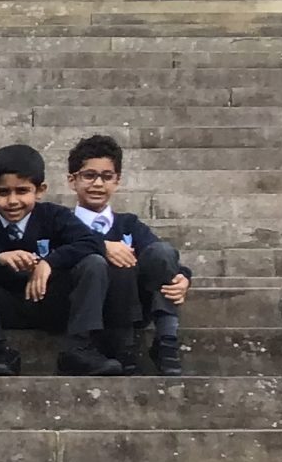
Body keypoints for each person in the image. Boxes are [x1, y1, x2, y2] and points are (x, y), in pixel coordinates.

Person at [0, 143, 127, 376]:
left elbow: (90, 242)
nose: (13, 201)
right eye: (3, 192)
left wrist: (49, 262)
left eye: (22, 191)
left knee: (93, 263)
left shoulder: (54, 215)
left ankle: (80, 347)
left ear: (39, 190)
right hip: (4, 304)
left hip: (51, 301)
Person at [67, 134, 190, 377]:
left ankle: (167, 340)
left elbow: (159, 255)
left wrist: (183, 277)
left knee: (162, 251)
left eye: (107, 176)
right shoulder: (63, 222)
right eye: (89, 175)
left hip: (134, 305)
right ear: (72, 180)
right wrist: (102, 246)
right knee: (111, 262)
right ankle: (123, 347)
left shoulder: (128, 224)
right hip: (85, 306)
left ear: (117, 181)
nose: (98, 184)